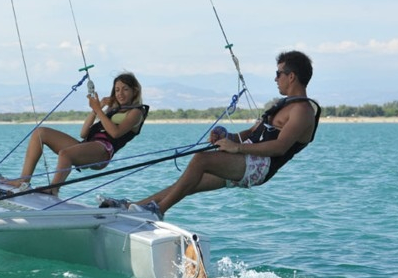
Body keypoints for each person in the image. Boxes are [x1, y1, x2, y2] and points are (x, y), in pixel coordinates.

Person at [101, 51, 320, 218]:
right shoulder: (282, 105)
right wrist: (227, 136)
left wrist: (237, 148)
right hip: (247, 158)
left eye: (278, 73)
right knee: (187, 183)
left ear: (291, 77)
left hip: (259, 167)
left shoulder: (302, 111)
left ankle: (157, 211)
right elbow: (252, 133)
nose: (275, 78)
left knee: (201, 160)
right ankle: (133, 207)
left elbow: (279, 147)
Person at [5, 72, 148, 196]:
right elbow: (83, 132)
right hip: (89, 145)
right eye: (117, 90)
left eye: (125, 89)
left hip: (103, 151)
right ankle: (23, 180)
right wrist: (97, 109)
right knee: (40, 133)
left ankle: (53, 189)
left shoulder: (136, 112)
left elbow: (115, 133)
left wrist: (98, 110)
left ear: (134, 91)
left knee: (65, 154)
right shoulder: (113, 111)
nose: (120, 94)